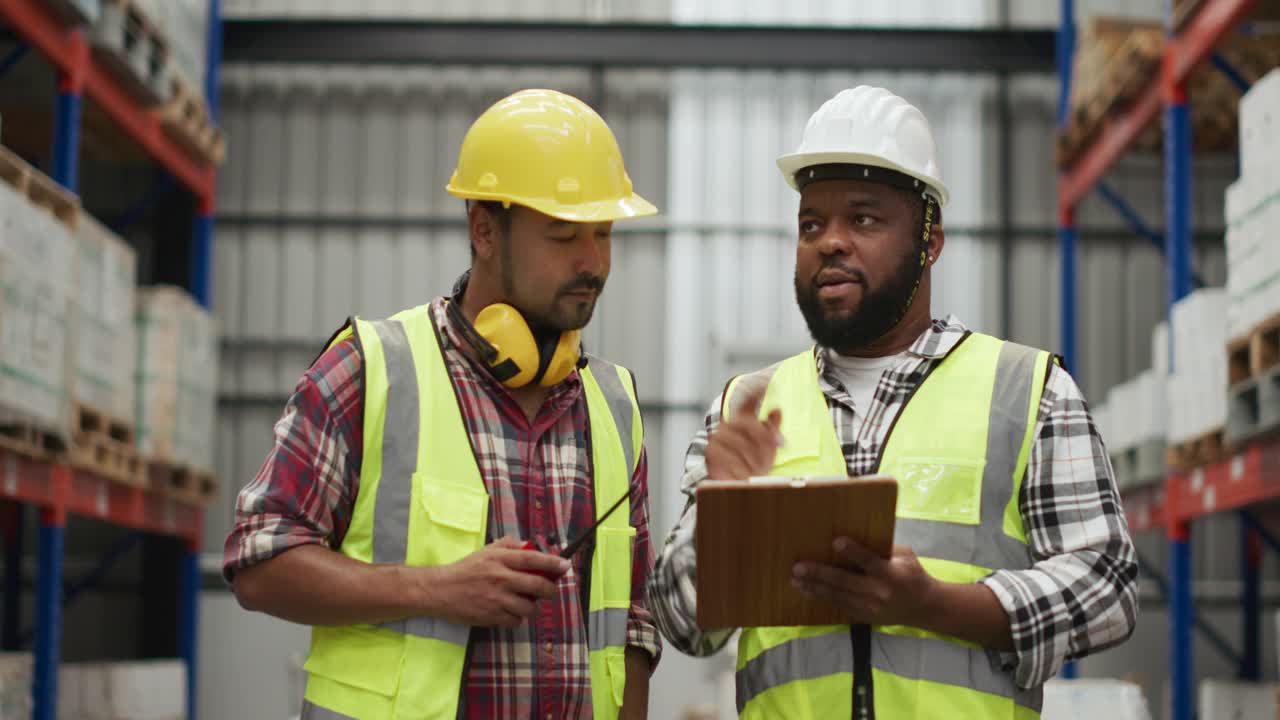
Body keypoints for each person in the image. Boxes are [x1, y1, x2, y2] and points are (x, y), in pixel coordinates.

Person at [647, 85, 1138, 719]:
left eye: (865, 218)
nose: (830, 242)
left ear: (929, 242)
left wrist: (936, 605)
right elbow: (682, 625)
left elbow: (1108, 587)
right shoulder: (746, 408)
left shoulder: (1028, 392)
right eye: (811, 224)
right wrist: (718, 523)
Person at [225, 88, 661, 720]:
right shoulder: (371, 371)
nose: (593, 262)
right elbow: (257, 561)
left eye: (603, 233)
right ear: (484, 230)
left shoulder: (614, 405)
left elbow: (634, 623)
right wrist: (436, 588)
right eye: (564, 235)